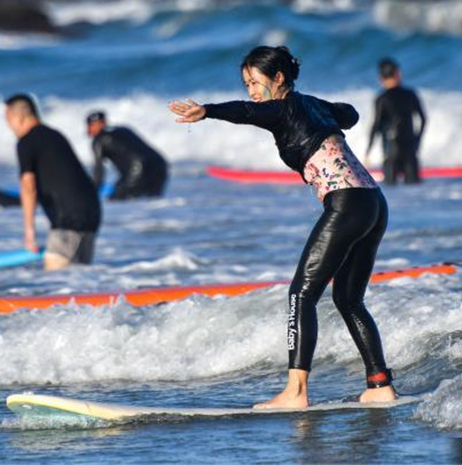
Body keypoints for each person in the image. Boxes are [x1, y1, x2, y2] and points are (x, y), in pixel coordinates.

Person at [168, 46, 396, 407]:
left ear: (278, 79)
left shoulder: (283, 107)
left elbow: (245, 112)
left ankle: (296, 391)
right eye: (245, 84)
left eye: (256, 82)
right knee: (348, 298)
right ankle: (379, 384)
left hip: (346, 202)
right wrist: (326, 111)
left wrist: (208, 111)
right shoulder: (309, 104)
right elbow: (349, 114)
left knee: (301, 294)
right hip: (373, 202)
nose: (251, 92)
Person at [5, 94, 101, 270]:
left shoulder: (26, 142)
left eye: (8, 120)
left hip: (68, 220)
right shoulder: (55, 135)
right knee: (82, 286)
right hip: (92, 213)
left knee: (57, 283)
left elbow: (28, 186)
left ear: (19, 117)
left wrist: (29, 233)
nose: (8, 126)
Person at [365, 58, 426, 185]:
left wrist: (368, 150)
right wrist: (417, 140)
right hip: (410, 148)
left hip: (391, 151)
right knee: (414, 189)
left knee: (391, 192)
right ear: (398, 73)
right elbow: (423, 119)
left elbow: (376, 125)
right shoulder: (410, 94)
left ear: (380, 78)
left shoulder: (382, 98)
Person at [87, 111, 168, 200]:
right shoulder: (124, 129)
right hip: (160, 166)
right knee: (152, 202)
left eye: (91, 125)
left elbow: (99, 170)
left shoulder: (98, 140)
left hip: (138, 170)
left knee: (116, 201)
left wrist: (92, 193)